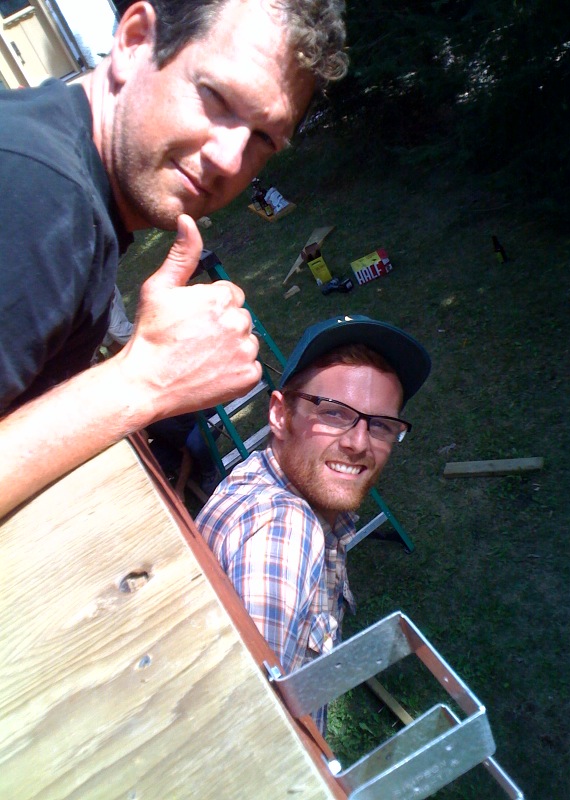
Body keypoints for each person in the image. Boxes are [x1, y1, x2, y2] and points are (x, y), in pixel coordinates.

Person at [0, 0, 348, 518]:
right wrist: (145, 379)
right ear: (134, 41)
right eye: (216, 97)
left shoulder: (64, 179)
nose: (229, 160)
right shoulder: (39, 193)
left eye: (262, 139)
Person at [195, 314, 431, 731]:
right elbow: (245, 731)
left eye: (381, 425)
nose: (359, 443)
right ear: (279, 415)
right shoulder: (284, 530)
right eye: (335, 413)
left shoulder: (258, 477)